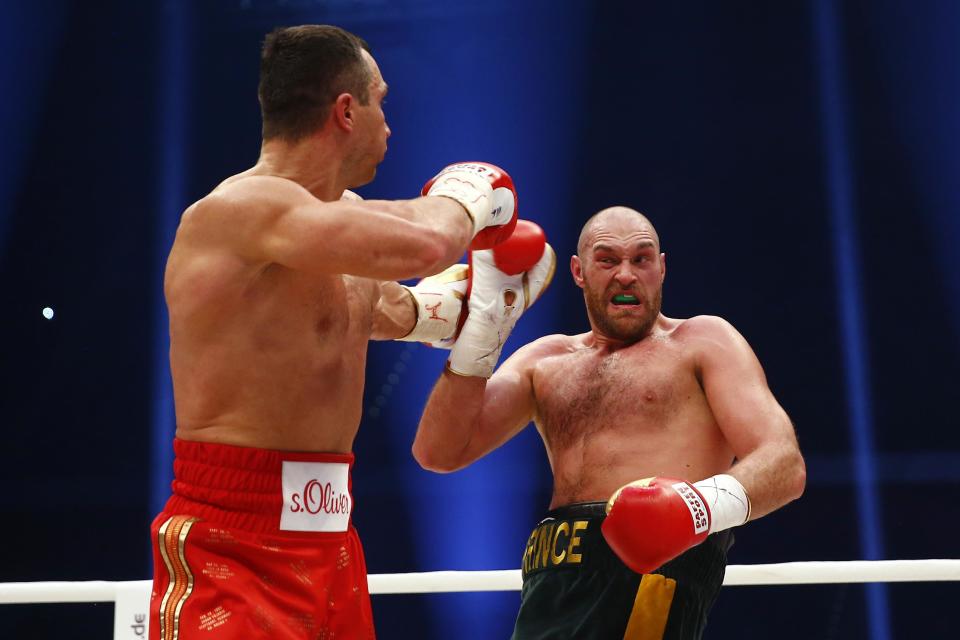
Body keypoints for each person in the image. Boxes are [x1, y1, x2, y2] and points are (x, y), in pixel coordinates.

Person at [150, 24, 524, 640]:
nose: (389, 125)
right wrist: (471, 191)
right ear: (346, 111)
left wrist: (483, 307)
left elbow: (395, 310)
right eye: (381, 101)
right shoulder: (238, 212)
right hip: (232, 536)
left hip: (333, 537)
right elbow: (427, 241)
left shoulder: (334, 225)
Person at [412, 206, 806, 639]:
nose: (625, 275)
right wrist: (480, 336)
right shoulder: (544, 361)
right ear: (579, 272)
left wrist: (696, 507)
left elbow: (783, 463)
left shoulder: (703, 343)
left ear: (661, 268)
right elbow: (438, 451)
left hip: (649, 575)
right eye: (608, 260)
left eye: (641, 259)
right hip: (550, 579)